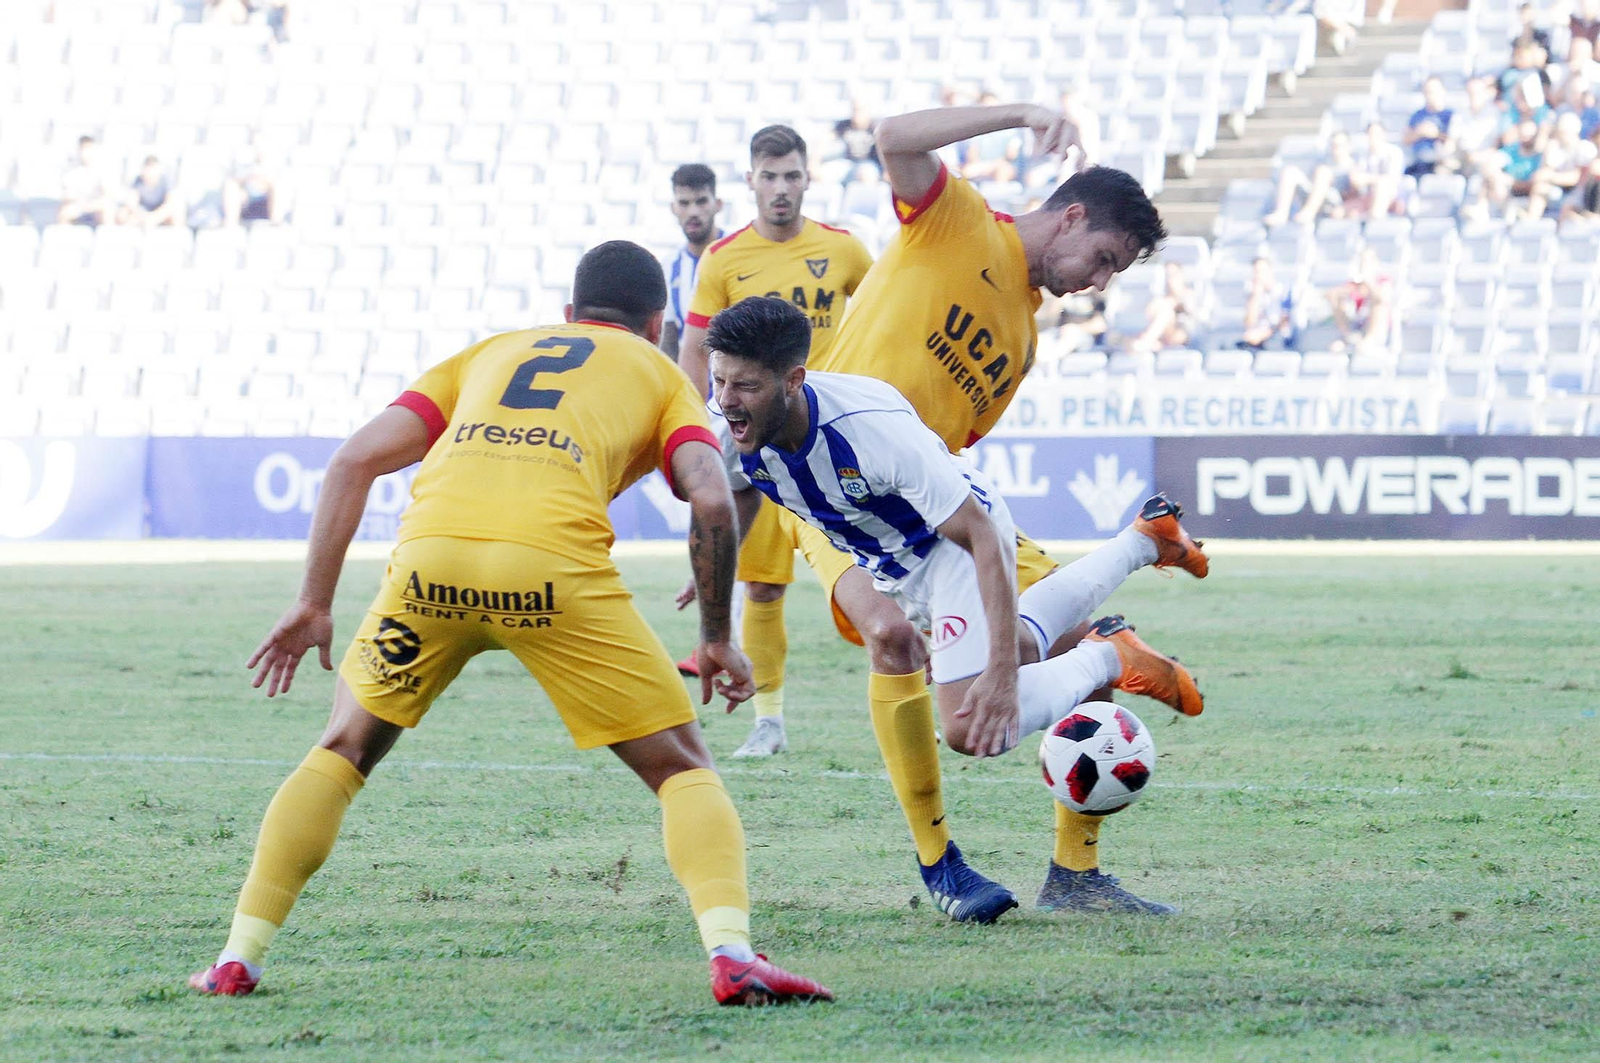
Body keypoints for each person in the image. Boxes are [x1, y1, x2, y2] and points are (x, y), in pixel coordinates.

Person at [186, 241, 833, 1008]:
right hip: (550, 573)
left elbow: (353, 461)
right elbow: (715, 499)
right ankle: (731, 952)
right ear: (656, 325)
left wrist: (314, 602)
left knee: (343, 749)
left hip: (430, 567)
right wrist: (717, 637)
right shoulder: (664, 375)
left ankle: (237, 957)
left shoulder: (487, 353)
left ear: (568, 313)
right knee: (683, 768)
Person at [791, 99, 1194, 918]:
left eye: (1115, 274)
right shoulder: (957, 221)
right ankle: (941, 864)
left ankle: (1076, 874)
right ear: (1071, 216)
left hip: (935, 508)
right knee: (893, 636)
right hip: (837, 492)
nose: (1100, 282)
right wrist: (1023, 114)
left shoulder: (1024, 339)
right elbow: (892, 137)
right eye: (1104, 258)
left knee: (1076, 632)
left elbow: (950, 448)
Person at [705, 297, 1205, 922]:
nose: (727, 399)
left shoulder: (869, 432)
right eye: (719, 379)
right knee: (1019, 646)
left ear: (793, 380)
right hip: (896, 560)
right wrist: (714, 590)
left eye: (745, 386)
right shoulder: (730, 420)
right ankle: (1145, 542)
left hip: (956, 546)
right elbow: (735, 493)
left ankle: (1104, 657)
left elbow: (981, 537)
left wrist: (1001, 681)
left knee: (971, 725)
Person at [676, 125, 874, 759]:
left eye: (792, 175)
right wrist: (696, 425)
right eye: (770, 176)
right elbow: (695, 348)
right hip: (761, 450)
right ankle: (768, 723)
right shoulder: (724, 259)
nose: (781, 188)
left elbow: (883, 317)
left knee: (884, 576)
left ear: (808, 178)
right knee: (762, 586)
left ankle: (923, 690)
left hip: (835, 442)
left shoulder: (844, 250)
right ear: (751, 181)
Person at [660, 164, 724, 363]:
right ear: (673, 208)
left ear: (718, 205)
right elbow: (669, 337)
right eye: (684, 203)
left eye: (701, 201)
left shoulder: (738, 254)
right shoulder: (669, 267)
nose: (693, 211)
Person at [1527, 111, 1598, 219]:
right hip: (1560, 190)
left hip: (1581, 192)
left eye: (1564, 132)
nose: (1561, 135)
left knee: (1569, 205)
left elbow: (1577, 178)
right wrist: (1548, 151)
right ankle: (1531, 220)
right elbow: (1546, 171)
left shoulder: (1585, 148)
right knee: (1540, 188)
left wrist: (1550, 177)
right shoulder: (1556, 148)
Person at [1324, 249, 1392, 353]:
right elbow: (1329, 295)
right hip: (1358, 326)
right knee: (1336, 301)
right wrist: (1345, 292)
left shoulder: (1383, 281)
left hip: (1378, 330)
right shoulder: (1354, 283)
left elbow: (1382, 299)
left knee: (1378, 304)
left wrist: (1368, 283)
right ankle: (1348, 337)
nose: (1363, 264)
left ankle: (1369, 339)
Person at [1479, 119, 1547, 219]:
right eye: (1524, 135)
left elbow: (1535, 181)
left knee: (1541, 187)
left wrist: (1512, 182)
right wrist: (1498, 177)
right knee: (1489, 180)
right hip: (1508, 190)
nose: (1527, 139)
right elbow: (1491, 165)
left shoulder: (1540, 155)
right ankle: (1481, 212)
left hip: (1528, 190)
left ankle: (1530, 219)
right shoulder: (1511, 151)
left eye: (1530, 136)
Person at [1129, 262, 1195, 353]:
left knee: (1164, 311)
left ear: (1181, 276)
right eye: (1167, 275)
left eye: (1173, 275)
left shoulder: (1189, 295)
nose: (1170, 279)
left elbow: (1191, 315)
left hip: (1183, 335)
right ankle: (1147, 343)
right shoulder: (1161, 300)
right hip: (1163, 337)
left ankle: (1145, 343)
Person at [1237, 256, 1298, 353]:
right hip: (1256, 337)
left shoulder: (1284, 292)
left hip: (1278, 336)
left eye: (1261, 271)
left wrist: (1263, 334)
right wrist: (1256, 296)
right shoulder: (1252, 294)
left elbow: (1284, 321)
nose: (1258, 276)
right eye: (1255, 272)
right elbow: (1249, 323)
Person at [1404, 77, 1456, 178]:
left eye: (1434, 91)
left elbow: (1453, 141)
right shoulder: (1417, 115)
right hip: (1418, 162)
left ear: (1443, 91)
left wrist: (1435, 134)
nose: (1431, 95)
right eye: (1427, 91)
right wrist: (1418, 133)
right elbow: (1405, 139)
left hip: (1439, 162)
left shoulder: (1450, 115)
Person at [57, 135, 114, 226]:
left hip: (95, 206)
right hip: (78, 207)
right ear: (78, 150)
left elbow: (107, 195)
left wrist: (90, 205)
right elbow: (68, 197)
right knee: (64, 213)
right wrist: (80, 204)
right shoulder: (70, 171)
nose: (86, 152)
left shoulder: (102, 169)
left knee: (108, 208)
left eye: (89, 148)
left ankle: (107, 234)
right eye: (83, 148)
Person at [116, 155, 184, 228]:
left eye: (152, 170)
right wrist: (144, 216)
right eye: (147, 170)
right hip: (141, 214)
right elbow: (132, 204)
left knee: (177, 212)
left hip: (160, 214)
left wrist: (154, 218)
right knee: (122, 214)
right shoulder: (137, 181)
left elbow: (170, 204)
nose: (150, 173)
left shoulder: (166, 181)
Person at [223, 146, 283, 226]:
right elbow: (237, 178)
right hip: (247, 198)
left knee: (278, 186)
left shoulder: (274, 165)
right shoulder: (244, 162)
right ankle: (231, 222)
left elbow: (273, 180)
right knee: (232, 185)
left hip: (266, 198)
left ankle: (276, 223)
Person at [833, 100, 882, 185]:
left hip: (869, 162)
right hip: (848, 162)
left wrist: (887, 171)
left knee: (867, 175)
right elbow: (826, 139)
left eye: (860, 110)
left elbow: (883, 150)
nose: (856, 114)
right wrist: (814, 162)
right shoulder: (844, 125)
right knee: (826, 174)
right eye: (854, 110)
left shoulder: (875, 128)